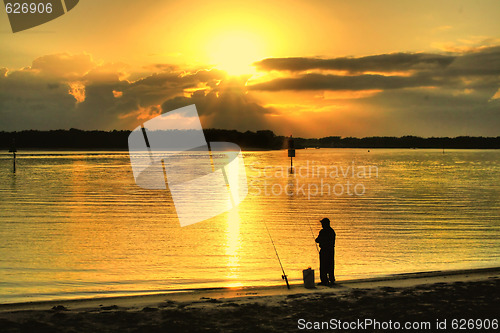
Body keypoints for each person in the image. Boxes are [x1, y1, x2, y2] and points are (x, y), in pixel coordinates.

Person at [315, 217, 336, 285]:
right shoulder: (332, 231)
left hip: (324, 250)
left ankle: (324, 281)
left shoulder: (323, 231)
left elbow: (317, 240)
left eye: (322, 224)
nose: (321, 225)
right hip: (331, 250)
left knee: (323, 266)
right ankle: (331, 279)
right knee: (330, 265)